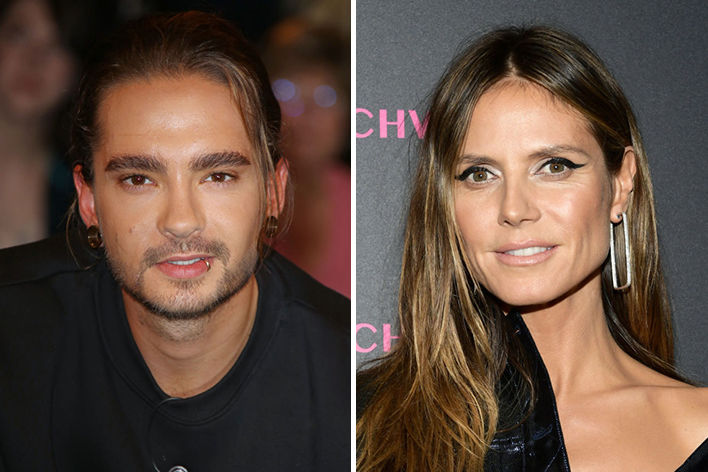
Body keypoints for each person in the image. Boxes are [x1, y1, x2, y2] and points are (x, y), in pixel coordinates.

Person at [0, 11, 349, 471]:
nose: (181, 222)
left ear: (273, 193)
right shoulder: (11, 332)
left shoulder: (352, 383)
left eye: (218, 176)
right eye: (139, 179)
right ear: (89, 200)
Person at [356, 26, 708, 471]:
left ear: (621, 183)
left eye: (554, 166)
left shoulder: (696, 426)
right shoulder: (366, 424)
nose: (514, 209)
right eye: (480, 174)